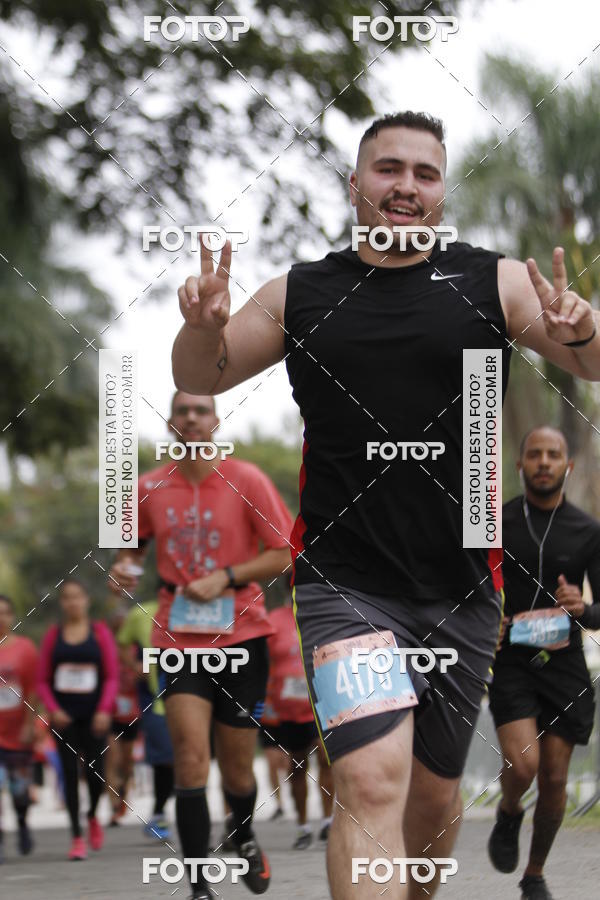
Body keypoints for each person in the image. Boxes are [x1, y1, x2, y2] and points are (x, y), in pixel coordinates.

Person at [171, 110, 600, 899]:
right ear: (355, 185)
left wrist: (583, 328)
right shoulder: (302, 292)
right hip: (346, 584)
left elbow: (595, 360)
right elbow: (204, 374)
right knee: (370, 783)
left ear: (441, 192)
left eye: (424, 174)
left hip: (463, 590)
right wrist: (199, 328)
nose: (405, 186)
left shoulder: (493, 281)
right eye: (388, 169)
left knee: (432, 805)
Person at [108, 391, 293, 900]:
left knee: (236, 767)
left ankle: (245, 833)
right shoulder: (148, 487)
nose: (191, 419)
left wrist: (226, 576)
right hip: (177, 635)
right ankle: (197, 887)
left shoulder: (248, 479)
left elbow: (283, 553)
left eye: (201, 411)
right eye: (182, 411)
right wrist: (124, 571)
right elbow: (131, 553)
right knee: (191, 758)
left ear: (216, 421)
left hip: (243, 634)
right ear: (171, 423)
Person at [488, 426, 600, 900]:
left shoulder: (587, 530)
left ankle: (534, 874)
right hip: (511, 659)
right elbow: (466, 583)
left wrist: (584, 609)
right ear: (520, 464)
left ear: (567, 465)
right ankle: (510, 808)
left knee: (555, 777)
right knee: (524, 763)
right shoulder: (494, 523)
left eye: (554, 454)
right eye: (534, 453)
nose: (544, 462)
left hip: (564, 660)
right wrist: (483, 619)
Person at [37, 578, 119, 860]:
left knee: (96, 774)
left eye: (77, 596)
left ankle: (93, 815)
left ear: (86, 600)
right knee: (70, 775)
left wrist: (104, 710)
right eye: (67, 597)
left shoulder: (99, 633)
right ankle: (76, 837)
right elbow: (42, 680)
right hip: (64, 719)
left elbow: (111, 676)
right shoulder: (53, 635)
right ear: (62, 603)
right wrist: (52, 708)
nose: (73, 602)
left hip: (94, 716)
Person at [257, 600, 333, 849]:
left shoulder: (323, 613)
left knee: (326, 758)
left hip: (321, 701)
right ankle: (302, 827)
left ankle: (328, 822)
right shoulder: (274, 619)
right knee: (298, 766)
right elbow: (260, 659)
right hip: (288, 706)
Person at [116, 599, 175, 841]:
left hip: (194, 694)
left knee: (188, 758)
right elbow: (121, 644)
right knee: (167, 759)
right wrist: (135, 665)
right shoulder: (142, 613)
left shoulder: (201, 609)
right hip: (156, 699)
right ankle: (159, 814)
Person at [0, 594, 38, 864]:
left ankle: (22, 823)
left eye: (5, 612)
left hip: (17, 732)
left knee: (19, 791)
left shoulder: (25, 648)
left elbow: (33, 690)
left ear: (12, 616)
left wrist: (29, 723)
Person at [106, 607, 142, 826]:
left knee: (127, 763)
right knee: (112, 759)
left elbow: (147, 675)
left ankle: (123, 799)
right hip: (110, 714)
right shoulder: (106, 650)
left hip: (133, 714)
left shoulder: (138, 650)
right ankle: (112, 803)